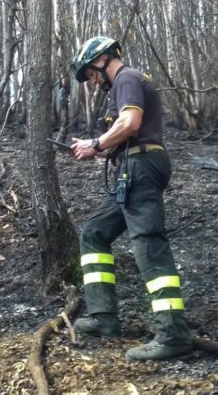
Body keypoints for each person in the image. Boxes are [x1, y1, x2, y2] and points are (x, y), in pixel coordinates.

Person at [68, 36, 192, 361]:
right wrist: (95, 148)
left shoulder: (126, 78)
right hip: (132, 169)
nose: (92, 82)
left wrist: (96, 144)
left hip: (141, 167)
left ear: (104, 59)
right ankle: (104, 317)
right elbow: (122, 134)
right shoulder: (123, 84)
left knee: (148, 244)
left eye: (91, 74)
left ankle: (173, 333)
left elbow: (131, 123)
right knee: (94, 233)